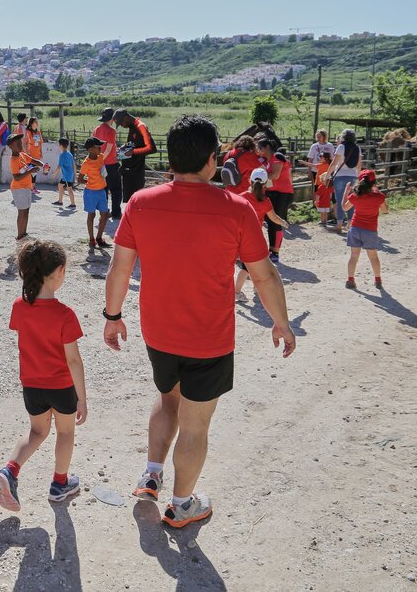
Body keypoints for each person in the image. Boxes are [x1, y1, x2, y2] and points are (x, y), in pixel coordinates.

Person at [104, 114, 295, 529]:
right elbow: (264, 275)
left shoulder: (140, 203)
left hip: (159, 332)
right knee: (195, 425)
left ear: (170, 158)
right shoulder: (237, 209)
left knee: (167, 399)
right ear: (213, 160)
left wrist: (113, 316)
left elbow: (119, 269)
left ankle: (151, 474)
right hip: (209, 340)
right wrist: (281, 322)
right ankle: (182, 505)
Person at [0, 240, 87, 511]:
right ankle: (60, 484)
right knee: (65, 433)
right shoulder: (65, 315)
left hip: (32, 386)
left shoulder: (19, 307)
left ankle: (10, 470)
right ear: (59, 272)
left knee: (37, 431)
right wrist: (82, 398)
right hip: (61, 387)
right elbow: (73, 360)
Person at [234, 168, 289, 298]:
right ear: (265, 185)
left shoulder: (241, 197)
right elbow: (274, 217)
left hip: (240, 237)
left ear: (250, 181)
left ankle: (255, 289)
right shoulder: (265, 201)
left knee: (252, 265)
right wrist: (284, 223)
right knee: (248, 267)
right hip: (254, 238)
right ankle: (236, 292)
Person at [342, 169, 388, 289]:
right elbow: (385, 210)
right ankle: (378, 280)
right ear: (374, 183)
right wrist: (378, 192)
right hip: (370, 230)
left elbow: (344, 208)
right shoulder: (379, 197)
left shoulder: (355, 196)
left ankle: (350, 280)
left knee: (354, 256)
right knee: (373, 257)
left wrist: (346, 191)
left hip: (355, 229)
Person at [257, 138, 293, 262]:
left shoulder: (277, 157)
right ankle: (271, 250)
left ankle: (275, 252)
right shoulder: (267, 160)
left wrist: (259, 177)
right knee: (271, 222)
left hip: (283, 193)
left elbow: (275, 175)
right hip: (272, 192)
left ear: (267, 147)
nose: (259, 150)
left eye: (260, 148)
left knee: (277, 222)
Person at [114, 108, 156, 206]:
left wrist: (133, 152)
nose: (122, 126)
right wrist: (124, 147)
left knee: (136, 201)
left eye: (121, 123)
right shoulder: (132, 127)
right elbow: (134, 143)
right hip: (129, 171)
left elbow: (151, 148)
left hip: (136, 171)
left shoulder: (141, 127)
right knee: (129, 201)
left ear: (126, 118)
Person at [325, 129, 362, 233]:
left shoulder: (341, 147)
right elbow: (359, 165)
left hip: (340, 176)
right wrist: (358, 177)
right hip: (353, 177)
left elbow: (334, 163)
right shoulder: (357, 148)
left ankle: (339, 225)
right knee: (351, 201)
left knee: (340, 201)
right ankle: (350, 225)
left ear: (344, 137)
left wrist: (327, 175)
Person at [9, 132, 42, 241]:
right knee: (22, 212)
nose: (20, 143)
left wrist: (43, 165)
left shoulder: (22, 155)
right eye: (17, 142)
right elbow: (16, 177)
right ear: (11, 146)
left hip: (26, 187)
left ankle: (23, 233)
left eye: (20, 141)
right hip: (19, 188)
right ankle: (20, 235)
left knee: (26, 211)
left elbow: (33, 160)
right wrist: (31, 171)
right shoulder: (14, 159)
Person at [78, 137, 110, 249]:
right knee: (91, 215)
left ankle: (99, 238)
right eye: (98, 147)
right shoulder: (86, 164)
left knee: (105, 214)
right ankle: (92, 239)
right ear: (91, 149)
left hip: (101, 191)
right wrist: (90, 182)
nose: (100, 148)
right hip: (90, 193)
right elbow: (80, 179)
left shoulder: (100, 157)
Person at [94, 108, 122, 217]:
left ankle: (104, 211)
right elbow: (108, 149)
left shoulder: (97, 130)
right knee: (116, 190)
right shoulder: (111, 131)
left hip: (101, 165)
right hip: (111, 164)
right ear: (112, 118)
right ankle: (116, 212)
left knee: (103, 189)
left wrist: (98, 161)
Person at [54, 138, 77, 209]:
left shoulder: (62, 155)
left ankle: (73, 204)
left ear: (61, 145)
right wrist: (75, 174)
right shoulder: (69, 154)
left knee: (69, 189)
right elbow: (74, 165)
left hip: (67, 175)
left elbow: (59, 166)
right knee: (60, 186)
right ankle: (60, 201)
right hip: (68, 175)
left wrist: (54, 174)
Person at [25, 117, 44, 194]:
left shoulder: (38, 132)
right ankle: (30, 187)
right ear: (31, 123)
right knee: (30, 172)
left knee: (34, 172)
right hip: (30, 155)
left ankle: (33, 187)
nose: (37, 123)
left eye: (37, 122)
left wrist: (41, 153)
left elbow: (40, 144)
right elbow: (26, 143)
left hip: (37, 155)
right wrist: (27, 153)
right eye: (35, 122)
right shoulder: (28, 132)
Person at [314, 152, 334, 225]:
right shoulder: (330, 187)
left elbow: (318, 195)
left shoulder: (320, 187)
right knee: (325, 213)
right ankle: (325, 221)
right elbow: (331, 195)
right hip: (327, 202)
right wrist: (330, 201)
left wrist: (316, 201)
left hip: (322, 203)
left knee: (322, 213)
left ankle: (322, 222)